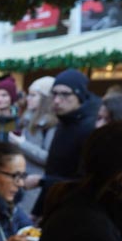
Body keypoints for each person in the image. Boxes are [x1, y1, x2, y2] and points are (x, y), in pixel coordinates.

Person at [26, 68, 100, 217]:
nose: (57, 100)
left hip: (77, 212)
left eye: (65, 94)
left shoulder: (90, 128)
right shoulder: (64, 122)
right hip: (56, 206)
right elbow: (54, 168)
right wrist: (38, 211)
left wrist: (42, 181)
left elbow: (86, 181)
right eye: (54, 94)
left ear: (79, 95)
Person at [9, 76, 56, 214]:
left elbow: (49, 157)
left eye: (33, 95)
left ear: (45, 99)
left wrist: (22, 143)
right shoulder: (28, 118)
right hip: (21, 180)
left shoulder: (50, 124)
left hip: (36, 185)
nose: (28, 98)